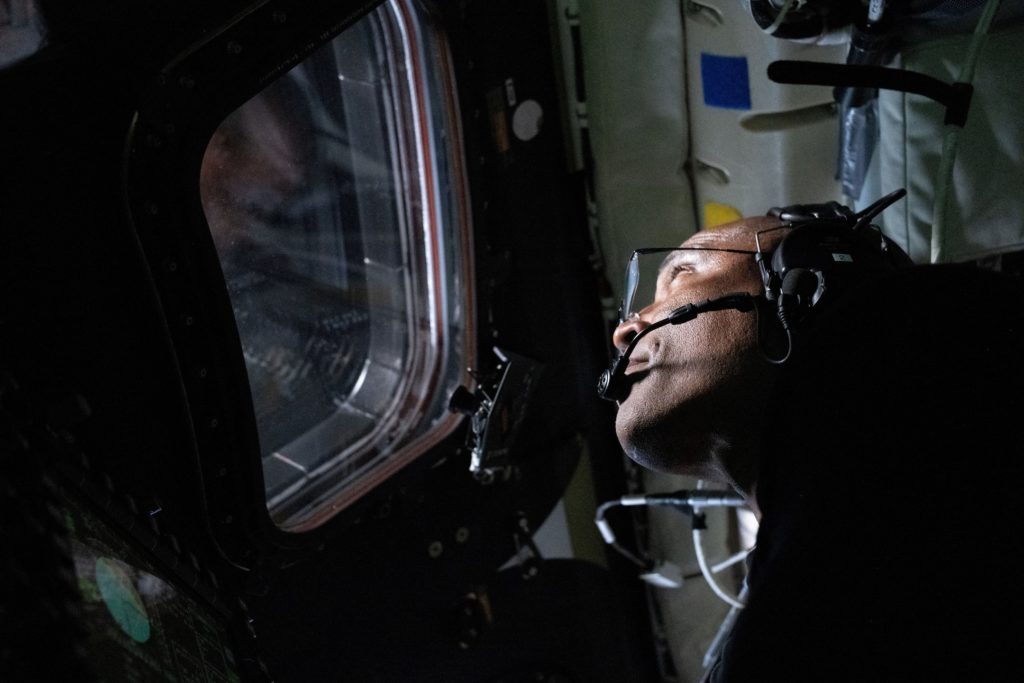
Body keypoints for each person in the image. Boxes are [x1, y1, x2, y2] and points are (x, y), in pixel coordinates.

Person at [608, 199, 1024, 680]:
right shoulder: (765, 624)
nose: (624, 330)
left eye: (680, 275)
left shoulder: (958, 339)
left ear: (805, 275)